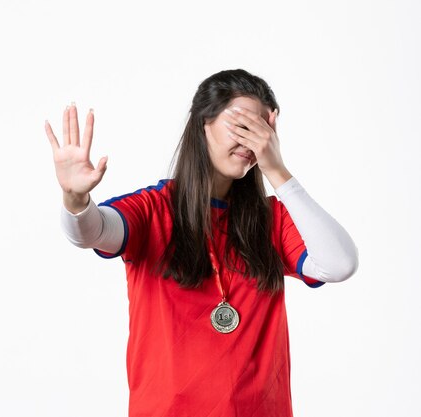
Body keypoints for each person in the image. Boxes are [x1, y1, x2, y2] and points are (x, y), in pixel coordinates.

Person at [44, 68, 359, 417]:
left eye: (261, 132)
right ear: (203, 123)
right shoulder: (155, 208)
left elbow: (340, 263)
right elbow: (92, 231)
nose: (251, 142)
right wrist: (74, 198)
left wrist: (277, 171)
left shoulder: (272, 220)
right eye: (241, 126)